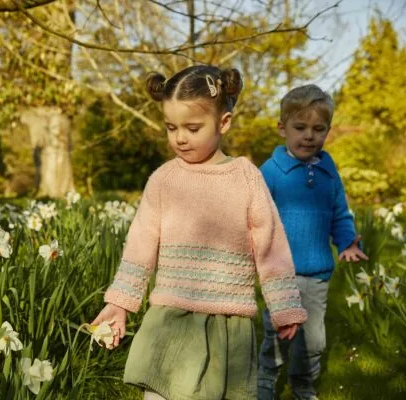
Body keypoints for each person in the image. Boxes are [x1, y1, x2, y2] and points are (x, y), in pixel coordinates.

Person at [91, 64, 308, 400]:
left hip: (226, 321)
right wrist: (120, 303)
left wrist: (283, 306)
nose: (179, 137)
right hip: (171, 317)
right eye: (171, 127)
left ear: (223, 122)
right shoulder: (164, 180)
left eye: (192, 127)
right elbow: (140, 242)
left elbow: (270, 246)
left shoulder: (246, 178)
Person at [257, 84, 368, 400]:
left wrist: (347, 242)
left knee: (314, 340)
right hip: (281, 274)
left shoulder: (329, 172)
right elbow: (258, 217)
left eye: (318, 129)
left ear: (327, 131)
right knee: (278, 334)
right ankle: (266, 379)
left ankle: (303, 384)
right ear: (283, 128)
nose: (309, 136)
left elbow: (339, 211)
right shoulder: (272, 172)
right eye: (300, 127)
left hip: (317, 273)